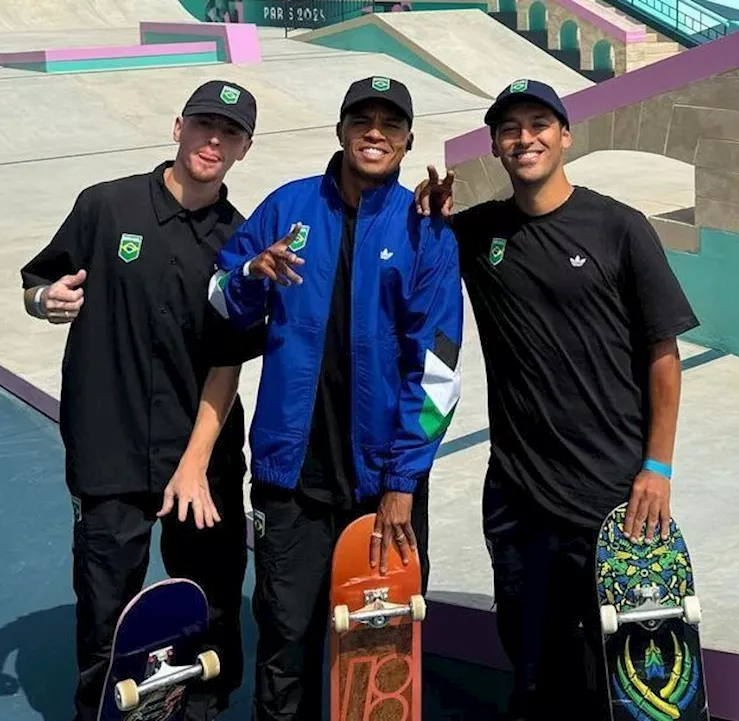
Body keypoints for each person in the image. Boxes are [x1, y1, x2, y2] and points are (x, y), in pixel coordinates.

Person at [412, 79, 700, 720]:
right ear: (495, 144)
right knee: (531, 666)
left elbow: (663, 356)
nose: (525, 139)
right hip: (518, 497)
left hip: (608, 494)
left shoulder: (618, 227)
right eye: (510, 129)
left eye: (538, 124)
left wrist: (657, 467)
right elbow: (416, 256)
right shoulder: (478, 233)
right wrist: (424, 213)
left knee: (613, 677)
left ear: (564, 135)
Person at [196, 75, 463, 720]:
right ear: (340, 130)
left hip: (383, 484)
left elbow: (439, 373)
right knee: (285, 639)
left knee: (379, 648)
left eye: (390, 125)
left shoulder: (424, 230)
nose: (375, 133)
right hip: (292, 475)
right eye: (362, 120)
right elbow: (216, 299)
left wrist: (403, 479)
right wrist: (251, 277)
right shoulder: (288, 207)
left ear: (406, 142)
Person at [18, 80, 266, 721]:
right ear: (178, 126)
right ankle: (99, 710)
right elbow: (40, 278)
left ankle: (204, 706)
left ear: (244, 148)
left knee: (211, 602)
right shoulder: (105, 206)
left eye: (230, 132)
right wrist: (44, 301)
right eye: (205, 124)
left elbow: (227, 361)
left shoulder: (239, 241)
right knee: (105, 609)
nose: (214, 139)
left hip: (200, 457)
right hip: (110, 446)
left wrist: (193, 463)